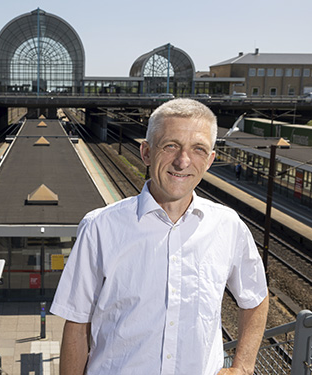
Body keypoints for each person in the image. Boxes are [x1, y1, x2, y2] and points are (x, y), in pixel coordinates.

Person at [50, 98, 269, 375]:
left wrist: (243, 367)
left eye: (198, 149)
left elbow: (256, 298)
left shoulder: (228, 226)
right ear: (146, 152)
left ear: (211, 160)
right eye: (171, 146)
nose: (183, 161)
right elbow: (77, 324)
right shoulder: (99, 228)